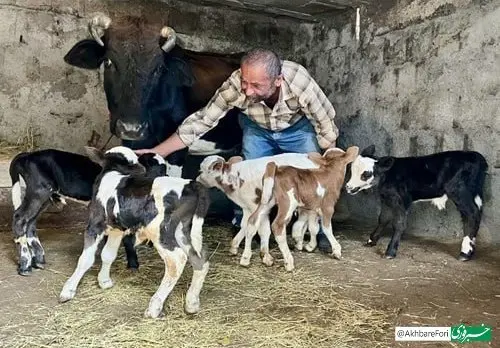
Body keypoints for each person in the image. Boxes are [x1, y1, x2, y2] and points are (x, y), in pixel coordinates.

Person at [135, 48, 339, 253]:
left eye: (256, 85)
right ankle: (246, 224)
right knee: (248, 175)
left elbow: (325, 125)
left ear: (277, 80)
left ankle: (321, 231)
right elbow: (202, 120)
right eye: (245, 82)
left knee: (311, 179)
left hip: (297, 129)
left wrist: (327, 168)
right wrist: (157, 152)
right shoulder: (234, 85)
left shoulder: (299, 81)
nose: (248, 91)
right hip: (257, 128)